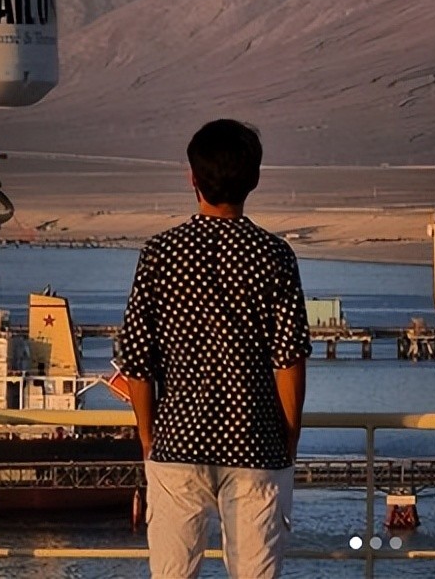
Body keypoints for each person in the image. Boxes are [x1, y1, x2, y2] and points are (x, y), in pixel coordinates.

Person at [116, 119, 312, 579]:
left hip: (176, 440)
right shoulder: (273, 255)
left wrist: (149, 434)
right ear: (255, 178)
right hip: (256, 441)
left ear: (193, 178)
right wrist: (290, 433)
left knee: (172, 572)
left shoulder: (160, 253)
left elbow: (138, 359)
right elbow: (289, 357)